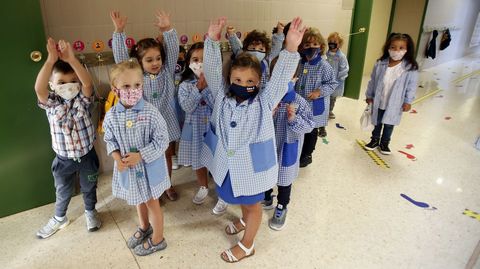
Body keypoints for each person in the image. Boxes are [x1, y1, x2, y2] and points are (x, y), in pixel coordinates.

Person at [202, 16, 305, 263]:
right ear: (229, 80)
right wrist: (212, 41)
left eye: (250, 82)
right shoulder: (222, 97)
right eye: (237, 80)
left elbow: (280, 79)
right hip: (227, 167)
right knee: (237, 198)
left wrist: (291, 48)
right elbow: (213, 71)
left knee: (252, 204)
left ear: (259, 83)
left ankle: (247, 245)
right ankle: (243, 219)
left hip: (253, 169)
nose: (243, 85)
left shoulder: (264, 101)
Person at [34, 38, 101, 239]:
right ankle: (59, 217)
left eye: (73, 82)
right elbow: (39, 90)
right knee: (62, 191)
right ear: (52, 85)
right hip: (63, 160)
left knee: (89, 187)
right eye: (61, 83)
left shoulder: (83, 99)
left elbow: (87, 83)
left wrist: (72, 59)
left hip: (87, 156)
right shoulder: (51, 104)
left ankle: (91, 211)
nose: (68, 86)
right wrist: (50, 61)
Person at [103, 59, 170, 256]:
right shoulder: (112, 115)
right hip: (129, 170)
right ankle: (144, 227)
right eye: (126, 86)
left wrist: (141, 155)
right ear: (115, 89)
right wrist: (116, 157)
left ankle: (158, 239)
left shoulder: (150, 112)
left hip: (148, 171)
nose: (132, 90)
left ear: (143, 85)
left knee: (152, 203)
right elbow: (110, 139)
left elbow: (162, 140)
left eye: (137, 85)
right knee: (137, 200)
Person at [110, 10, 180, 200]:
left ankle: (167, 185)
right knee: (146, 159)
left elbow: (173, 51)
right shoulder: (137, 77)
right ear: (139, 62)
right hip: (142, 126)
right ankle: (151, 190)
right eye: (149, 60)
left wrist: (168, 30)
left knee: (165, 155)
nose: (155, 63)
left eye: (158, 58)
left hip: (166, 122)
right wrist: (119, 32)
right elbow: (122, 61)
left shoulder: (167, 72)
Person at [364, 33, 419, 155]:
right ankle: (374, 140)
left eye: (401, 48)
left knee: (389, 124)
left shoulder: (410, 68)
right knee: (377, 121)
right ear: (388, 48)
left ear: (407, 50)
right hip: (379, 100)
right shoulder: (380, 64)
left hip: (395, 103)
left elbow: (411, 86)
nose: (396, 51)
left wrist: (408, 101)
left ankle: (385, 143)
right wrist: (369, 95)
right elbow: (373, 81)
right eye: (393, 47)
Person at [177, 42, 215, 205]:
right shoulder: (185, 85)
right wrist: (198, 88)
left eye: (204, 59)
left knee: (215, 159)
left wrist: (206, 88)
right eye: (195, 59)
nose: (200, 63)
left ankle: (220, 188)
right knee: (199, 160)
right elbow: (187, 107)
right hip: (195, 129)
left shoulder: (217, 83)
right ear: (188, 63)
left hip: (212, 129)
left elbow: (217, 105)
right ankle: (203, 186)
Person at [295, 27, 338, 167]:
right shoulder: (300, 63)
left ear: (321, 46)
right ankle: (300, 152)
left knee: (311, 131)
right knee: (301, 129)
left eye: (315, 44)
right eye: (307, 45)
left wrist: (319, 92)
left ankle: (307, 154)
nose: (311, 48)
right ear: (302, 47)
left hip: (315, 105)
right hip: (300, 105)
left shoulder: (323, 65)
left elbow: (332, 83)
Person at [326, 32, 349, 119]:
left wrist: (338, 78)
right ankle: (324, 111)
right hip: (325, 80)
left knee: (332, 97)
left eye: (335, 41)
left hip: (336, 81)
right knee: (325, 96)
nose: (332, 43)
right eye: (330, 41)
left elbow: (344, 69)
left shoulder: (341, 57)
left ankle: (330, 111)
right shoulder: (326, 55)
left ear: (339, 44)